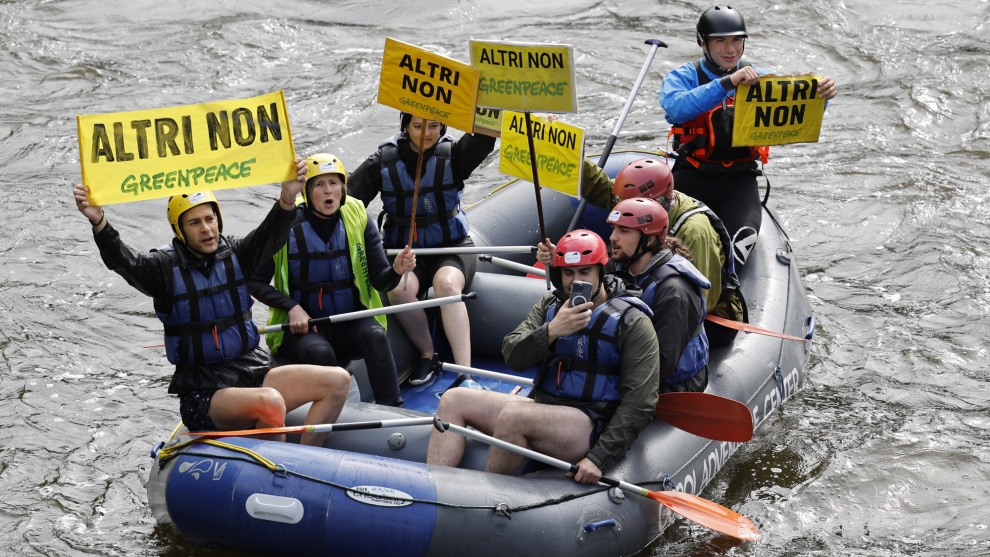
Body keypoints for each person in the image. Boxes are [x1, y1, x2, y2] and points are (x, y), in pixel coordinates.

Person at [71, 159, 350, 447]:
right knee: (271, 402)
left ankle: (304, 459)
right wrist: (99, 223)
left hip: (251, 372)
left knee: (338, 381)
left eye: (210, 219)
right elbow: (125, 262)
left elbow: (270, 235)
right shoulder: (162, 270)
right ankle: (275, 468)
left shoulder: (238, 253)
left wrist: (287, 198)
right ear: (180, 230)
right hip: (203, 394)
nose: (206, 229)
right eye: (195, 223)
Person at [427, 230, 659, 483]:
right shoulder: (551, 306)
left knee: (514, 417)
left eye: (585, 272)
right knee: (453, 399)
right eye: (568, 273)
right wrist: (551, 332)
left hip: (589, 423)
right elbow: (513, 356)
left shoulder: (632, 321)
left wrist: (599, 458)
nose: (575, 281)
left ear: (601, 272)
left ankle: (484, 495)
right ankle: (434, 487)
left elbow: (640, 402)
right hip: (543, 409)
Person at [658, 5, 837, 268]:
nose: (730, 49)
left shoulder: (761, 79)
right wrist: (728, 82)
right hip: (692, 176)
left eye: (736, 40)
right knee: (664, 246)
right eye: (720, 41)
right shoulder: (683, 77)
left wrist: (822, 96)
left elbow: (796, 112)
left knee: (737, 253)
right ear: (703, 44)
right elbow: (676, 108)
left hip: (740, 182)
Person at [249, 153, 416, 408]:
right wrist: (292, 308)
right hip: (305, 329)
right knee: (321, 353)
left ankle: (394, 408)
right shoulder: (285, 225)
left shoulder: (357, 216)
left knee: (375, 335)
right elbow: (255, 281)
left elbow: (381, 281)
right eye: (319, 184)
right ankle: (337, 413)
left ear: (343, 189)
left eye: (334, 183)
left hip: (349, 322)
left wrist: (396, 270)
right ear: (307, 193)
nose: (328, 191)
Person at [348, 112, 497, 384]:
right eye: (418, 126)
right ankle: (428, 355)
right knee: (399, 290)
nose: (427, 133)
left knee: (447, 286)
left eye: (434, 126)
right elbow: (348, 200)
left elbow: (485, 138)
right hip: (405, 253)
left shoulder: (455, 155)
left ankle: (465, 373)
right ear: (405, 126)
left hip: (452, 248)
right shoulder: (381, 162)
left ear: (443, 127)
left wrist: (496, 106)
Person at [538, 198, 710, 392]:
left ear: (650, 240)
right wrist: (558, 263)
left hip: (672, 386)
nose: (613, 237)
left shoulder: (674, 292)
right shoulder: (620, 264)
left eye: (624, 231)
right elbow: (588, 294)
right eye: (613, 229)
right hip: (626, 358)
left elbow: (660, 365)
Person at [581, 156, 743, 347]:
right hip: (655, 292)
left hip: (709, 318)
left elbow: (699, 302)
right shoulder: (638, 206)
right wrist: (570, 155)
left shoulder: (694, 231)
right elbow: (598, 187)